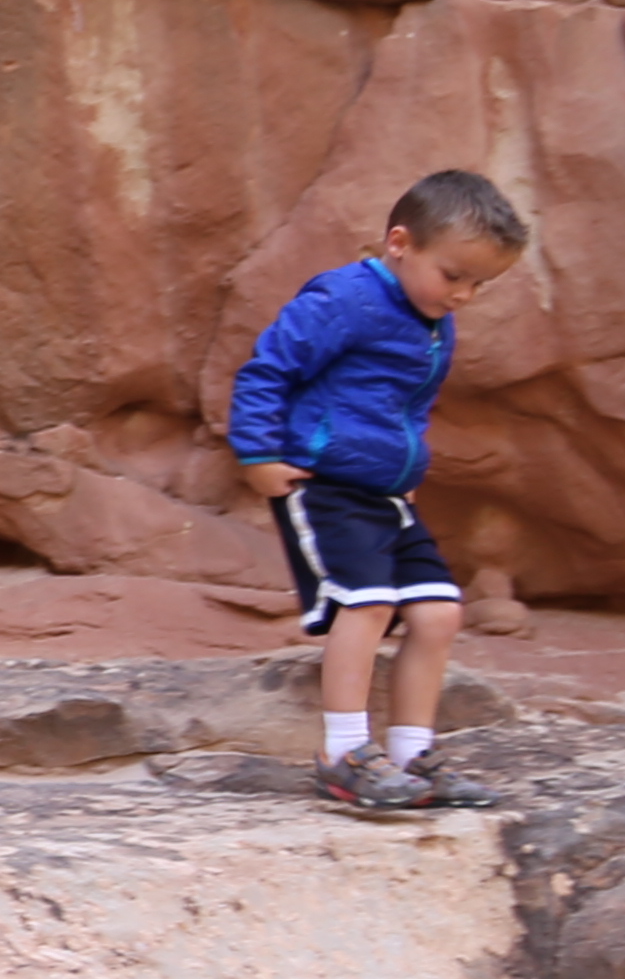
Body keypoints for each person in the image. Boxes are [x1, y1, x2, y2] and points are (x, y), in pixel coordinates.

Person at [226, 168, 532, 814]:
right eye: (455, 276)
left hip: (387, 495)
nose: (466, 295)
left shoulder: (433, 321)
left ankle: (412, 756)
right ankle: (342, 754)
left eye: (481, 284)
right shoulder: (345, 298)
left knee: (440, 612)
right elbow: (267, 368)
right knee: (364, 605)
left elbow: (405, 410)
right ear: (400, 242)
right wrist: (256, 451)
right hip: (325, 484)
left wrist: (406, 474)